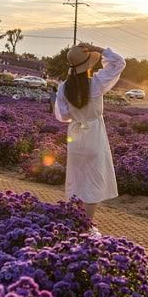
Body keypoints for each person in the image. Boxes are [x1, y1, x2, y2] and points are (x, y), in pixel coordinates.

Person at [54, 43, 126, 233]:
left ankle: (77, 223)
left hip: (76, 136)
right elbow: (119, 63)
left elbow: (63, 116)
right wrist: (98, 48)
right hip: (94, 135)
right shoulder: (96, 83)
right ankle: (86, 226)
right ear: (88, 65)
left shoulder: (63, 88)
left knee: (77, 181)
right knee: (93, 183)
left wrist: (78, 115)